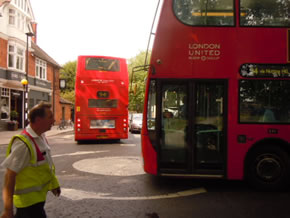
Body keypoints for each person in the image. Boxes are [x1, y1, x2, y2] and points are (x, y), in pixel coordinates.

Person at [1, 102, 61, 218]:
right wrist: (8, 210)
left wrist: (54, 184)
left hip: (37, 202)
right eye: (50, 117)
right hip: (27, 206)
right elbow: (9, 176)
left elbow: (45, 164)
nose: (54, 120)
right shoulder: (23, 144)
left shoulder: (40, 136)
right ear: (38, 120)